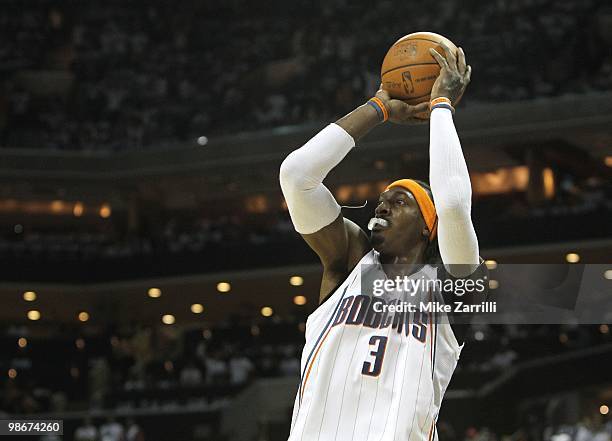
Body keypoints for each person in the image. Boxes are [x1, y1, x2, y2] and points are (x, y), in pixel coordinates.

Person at [280, 43, 485, 441]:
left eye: (400, 201)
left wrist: (441, 104)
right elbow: (297, 176)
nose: (383, 207)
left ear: (429, 226)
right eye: (381, 202)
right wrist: (380, 107)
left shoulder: (451, 290)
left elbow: (455, 205)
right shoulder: (347, 266)